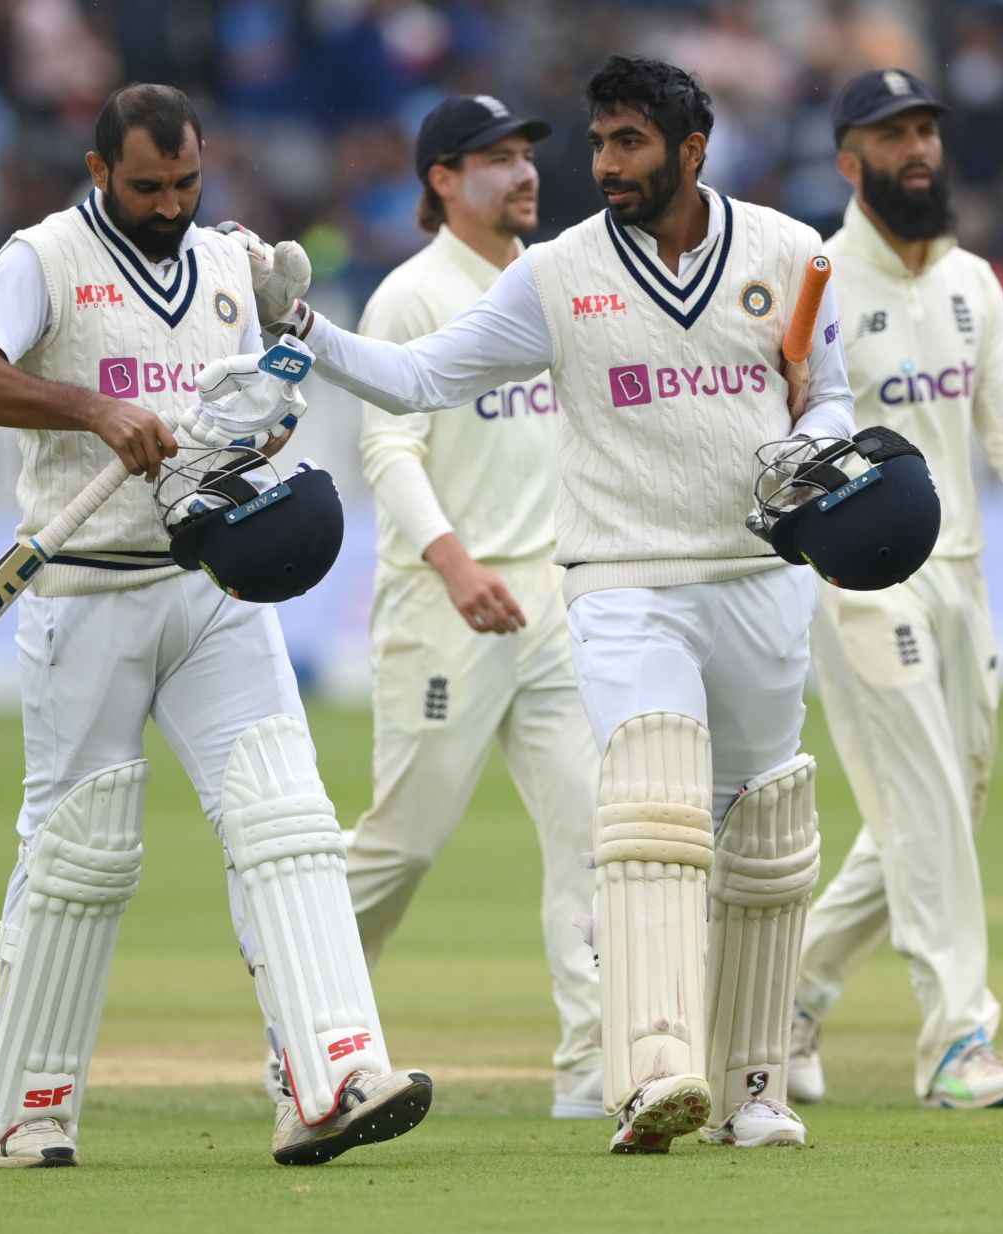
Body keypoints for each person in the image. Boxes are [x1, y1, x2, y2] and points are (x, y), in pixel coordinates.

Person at [230, 55, 860, 1153]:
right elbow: (421, 378)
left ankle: (753, 1084)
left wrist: (807, 447)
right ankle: (649, 1070)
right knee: (650, 800)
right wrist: (308, 333)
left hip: (760, 576)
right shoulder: (560, 273)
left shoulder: (791, 255)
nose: (603, 165)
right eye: (599, 141)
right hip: (622, 582)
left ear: (692, 150)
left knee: (761, 827)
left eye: (629, 143)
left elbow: (831, 396)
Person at [0, 82, 430, 1169]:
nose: (169, 203)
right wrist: (93, 409)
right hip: (87, 590)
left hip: (212, 585)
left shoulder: (225, 264)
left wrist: (280, 364)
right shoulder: (44, 256)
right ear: (101, 170)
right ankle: (26, 1107)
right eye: (147, 185)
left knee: (286, 817)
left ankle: (327, 1077)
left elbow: (263, 410)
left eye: (187, 182)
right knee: (78, 852)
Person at [786, 68, 1003, 1110]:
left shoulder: (973, 281)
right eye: (893, 136)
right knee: (923, 799)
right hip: (861, 583)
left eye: (926, 129)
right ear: (850, 162)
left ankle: (786, 996)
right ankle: (957, 1040)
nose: (917, 149)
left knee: (938, 811)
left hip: (960, 577)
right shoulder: (816, 280)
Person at [338, 94, 605, 1120]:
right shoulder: (411, 297)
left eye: (527, 154)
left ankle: (594, 1064)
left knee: (592, 834)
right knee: (403, 843)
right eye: (494, 158)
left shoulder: (550, 284)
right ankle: (310, 1019)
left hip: (552, 602)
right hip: (444, 606)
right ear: (441, 179)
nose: (524, 173)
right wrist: (454, 564)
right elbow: (387, 450)